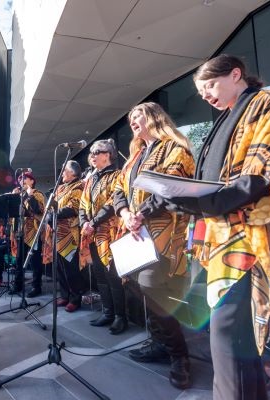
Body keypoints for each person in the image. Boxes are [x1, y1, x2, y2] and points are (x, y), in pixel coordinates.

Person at [165, 54, 270, 400]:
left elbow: (262, 175)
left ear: (236, 74)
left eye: (210, 85)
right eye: (201, 92)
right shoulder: (225, 120)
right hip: (221, 238)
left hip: (249, 237)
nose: (206, 95)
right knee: (237, 342)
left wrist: (200, 201)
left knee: (228, 336)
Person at [113, 102, 195, 389]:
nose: (134, 121)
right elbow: (118, 192)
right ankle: (161, 343)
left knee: (150, 286)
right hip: (135, 233)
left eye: (139, 116)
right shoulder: (133, 158)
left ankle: (180, 356)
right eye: (131, 118)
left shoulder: (174, 148)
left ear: (155, 119)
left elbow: (172, 187)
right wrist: (125, 213)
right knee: (134, 284)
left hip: (163, 232)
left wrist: (141, 213)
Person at [79, 139, 126, 334]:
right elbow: (82, 204)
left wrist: (94, 222)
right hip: (91, 234)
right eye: (91, 152)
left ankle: (120, 317)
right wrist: (84, 223)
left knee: (112, 274)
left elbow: (112, 202)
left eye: (97, 152)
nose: (92, 155)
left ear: (108, 155)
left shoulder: (117, 175)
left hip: (110, 233)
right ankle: (107, 313)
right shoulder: (90, 179)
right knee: (100, 274)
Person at [42, 160, 86, 312]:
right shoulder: (60, 188)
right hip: (56, 233)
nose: (62, 175)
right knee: (59, 266)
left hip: (69, 233)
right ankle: (65, 295)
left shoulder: (79, 186)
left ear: (73, 173)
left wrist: (53, 214)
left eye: (65, 171)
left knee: (70, 267)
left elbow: (74, 207)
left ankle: (75, 298)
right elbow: (52, 205)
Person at [10, 172, 45, 297]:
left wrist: (30, 197)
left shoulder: (38, 194)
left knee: (35, 261)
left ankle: (37, 287)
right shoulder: (19, 195)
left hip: (34, 232)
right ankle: (18, 284)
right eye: (20, 179)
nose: (22, 181)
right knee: (19, 260)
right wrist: (13, 198)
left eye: (25, 178)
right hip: (21, 232)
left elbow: (39, 210)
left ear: (32, 181)